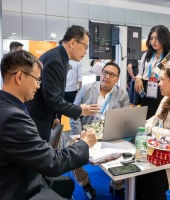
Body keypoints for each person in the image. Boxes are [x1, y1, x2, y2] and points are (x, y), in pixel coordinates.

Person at [0, 50, 97, 200]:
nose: (39, 86)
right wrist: (84, 144)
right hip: (8, 190)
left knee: (66, 183)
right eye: (37, 80)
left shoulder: (3, 105)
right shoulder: (12, 117)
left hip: (13, 176)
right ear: (19, 77)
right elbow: (52, 162)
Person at [26, 25, 99, 200]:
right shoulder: (54, 60)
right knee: (38, 163)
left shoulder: (60, 59)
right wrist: (79, 110)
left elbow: (53, 96)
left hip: (45, 118)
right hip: (37, 120)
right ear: (73, 42)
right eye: (85, 46)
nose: (85, 52)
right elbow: (52, 99)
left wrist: (55, 117)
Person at [70, 62, 130, 199]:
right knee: (72, 153)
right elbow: (74, 114)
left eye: (112, 74)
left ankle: (117, 184)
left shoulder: (122, 95)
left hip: (110, 134)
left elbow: (125, 120)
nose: (107, 76)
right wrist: (80, 135)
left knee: (129, 152)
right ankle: (85, 183)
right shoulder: (86, 89)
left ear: (117, 78)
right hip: (86, 132)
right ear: (101, 73)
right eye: (105, 72)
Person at [135, 66, 170, 200]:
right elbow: (155, 120)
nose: (158, 83)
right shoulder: (165, 98)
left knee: (152, 182)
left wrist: (149, 128)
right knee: (136, 173)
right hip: (157, 150)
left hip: (166, 159)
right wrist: (141, 123)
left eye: (162, 80)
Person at [135, 25, 170, 119]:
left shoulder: (168, 56)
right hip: (146, 89)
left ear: (164, 38)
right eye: (151, 38)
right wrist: (138, 78)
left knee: (160, 115)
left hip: (161, 88)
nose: (153, 41)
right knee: (145, 117)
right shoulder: (147, 55)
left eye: (157, 38)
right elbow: (141, 71)